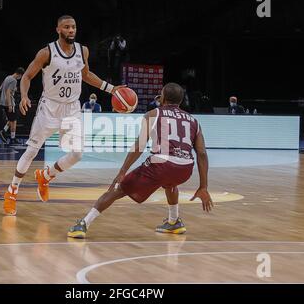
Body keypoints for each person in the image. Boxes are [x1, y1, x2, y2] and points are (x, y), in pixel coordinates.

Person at [3, 15, 125, 216]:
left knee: (77, 154)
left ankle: (46, 176)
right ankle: (12, 191)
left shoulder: (82, 50)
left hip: (72, 109)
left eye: (74, 27)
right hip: (50, 108)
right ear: (58, 29)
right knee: (32, 151)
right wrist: (24, 95)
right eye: (67, 27)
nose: (71, 30)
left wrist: (112, 89)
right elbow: (27, 76)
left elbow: (86, 75)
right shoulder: (46, 53)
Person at [68, 83, 213, 238]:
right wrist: (203, 186)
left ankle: (83, 224)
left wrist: (122, 171)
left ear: (162, 97)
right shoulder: (194, 121)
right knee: (170, 182)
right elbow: (202, 154)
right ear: (181, 100)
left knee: (120, 189)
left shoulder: (153, 114)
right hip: (185, 169)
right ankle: (173, 221)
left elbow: (140, 145)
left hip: (161, 164)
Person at [0, 67, 25, 145]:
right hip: (9, 103)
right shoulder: (14, 80)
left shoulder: (8, 77)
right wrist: (10, 104)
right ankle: (12, 138)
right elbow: (8, 92)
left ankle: (3, 131)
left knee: (11, 119)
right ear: (20, 75)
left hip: (2, 101)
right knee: (14, 121)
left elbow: (1, 87)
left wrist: (13, 89)